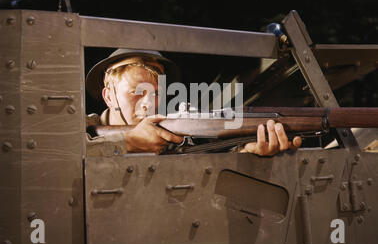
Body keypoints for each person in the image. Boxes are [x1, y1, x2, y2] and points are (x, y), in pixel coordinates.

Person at [86, 49, 302, 156]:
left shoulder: (172, 128)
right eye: (136, 92)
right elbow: (59, 159)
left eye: (156, 93)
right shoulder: (80, 129)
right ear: (108, 96)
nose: (148, 103)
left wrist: (249, 154)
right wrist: (128, 142)